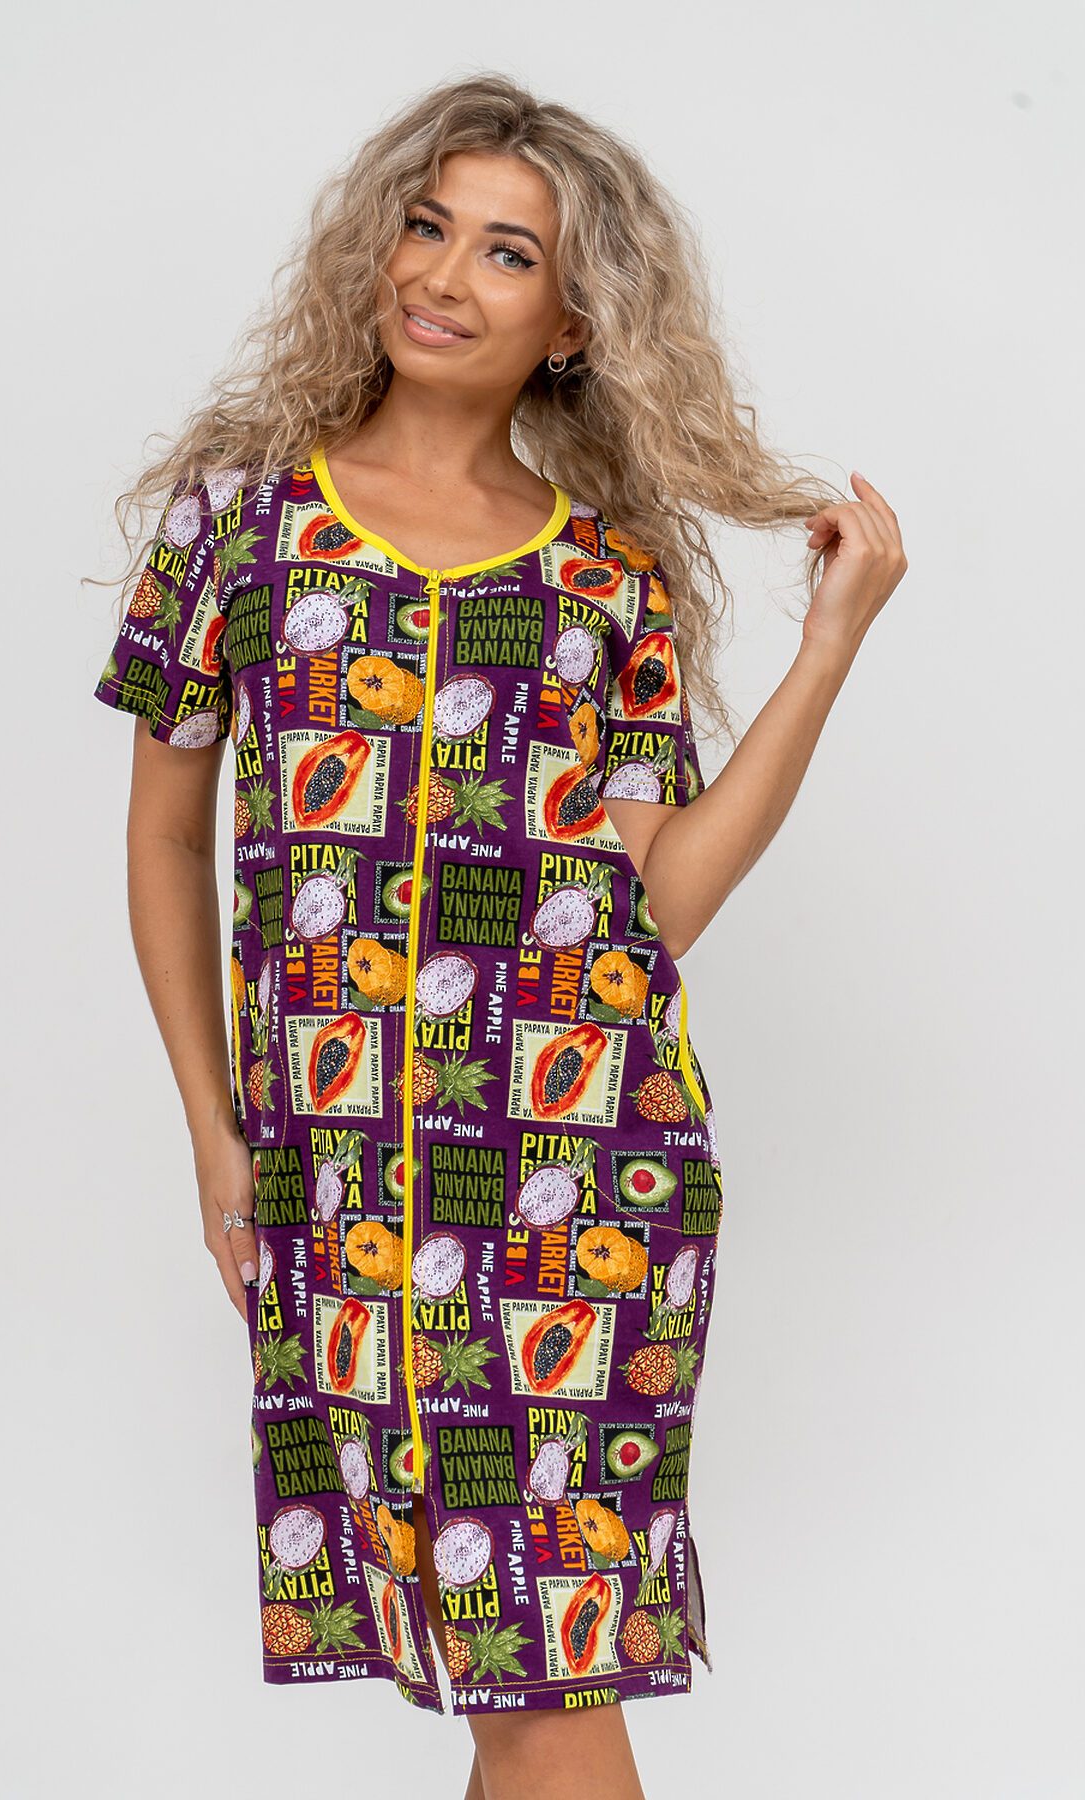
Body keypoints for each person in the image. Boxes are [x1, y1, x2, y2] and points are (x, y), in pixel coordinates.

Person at [91, 72, 906, 1800]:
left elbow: (658, 903)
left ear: (575, 322)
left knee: (543, 1674)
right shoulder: (237, 521)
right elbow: (166, 835)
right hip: (342, 1179)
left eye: (507, 252)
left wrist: (828, 648)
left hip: (585, 1175)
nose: (444, 275)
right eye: (426, 225)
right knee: (516, 1671)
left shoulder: (606, 578)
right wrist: (214, 1129)